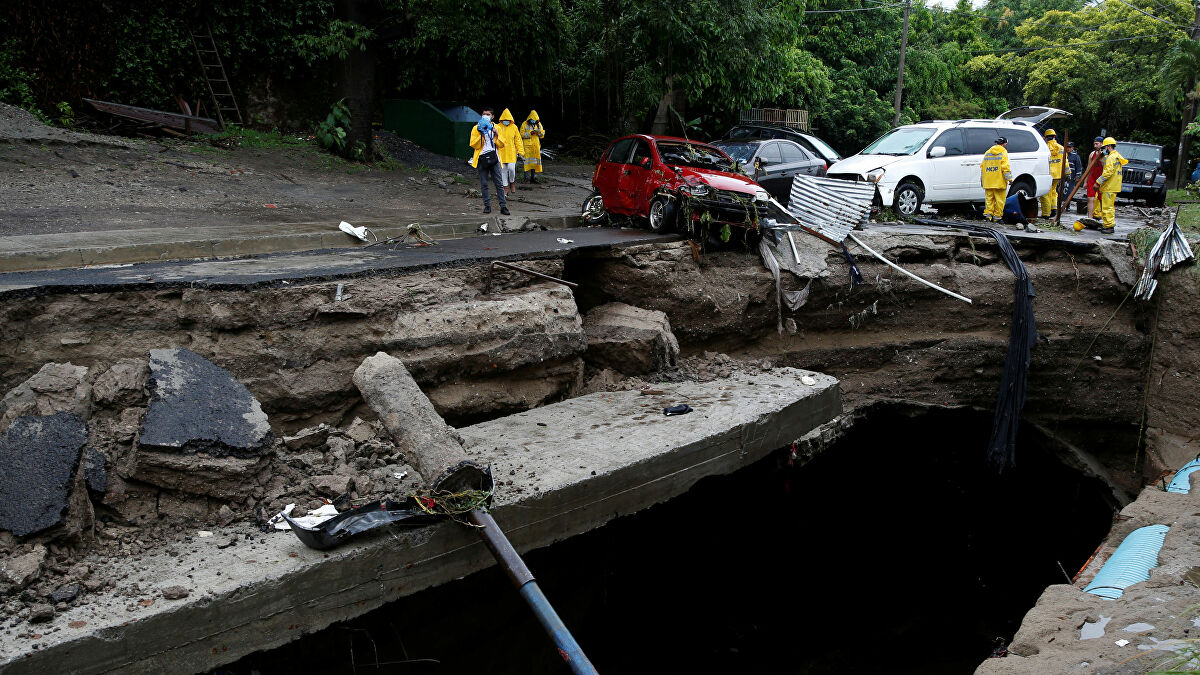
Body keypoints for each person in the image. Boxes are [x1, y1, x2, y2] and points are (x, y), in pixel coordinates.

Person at [469, 108, 510, 215]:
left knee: (499, 184)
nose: (485, 116)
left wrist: (496, 134)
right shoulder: (476, 128)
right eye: (483, 114)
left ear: (492, 117)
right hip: (481, 159)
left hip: (494, 158)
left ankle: (503, 206)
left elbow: (502, 144)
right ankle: (487, 206)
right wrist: (481, 134)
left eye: (488, 114)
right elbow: (473, 144)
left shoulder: (497, 128)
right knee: (484, 184)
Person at [1093, 137, 1128, 235]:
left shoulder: (1111, 157)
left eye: (1105, 148)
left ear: (1108, 147)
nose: (1104, 150)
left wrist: (1097, 182)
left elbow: (1107, 172)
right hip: (1114, 186)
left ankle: (1108, 226)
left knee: (1107, 207)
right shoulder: (1116, 156)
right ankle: (1108, 225)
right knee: (1109, 207)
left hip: (1109, 186)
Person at [980, 136, 1012, 224]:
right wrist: (1010, 180)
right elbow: (1005, 167)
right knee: (1000, 201)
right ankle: (997, 217)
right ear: (1004, 144)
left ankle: (988, 216)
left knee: (989, 200)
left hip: (988, 181)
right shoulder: (1003, 152)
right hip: (999, 182)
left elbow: (982, 167)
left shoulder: (988, 152)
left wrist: (983, 181)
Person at [495, 108, 525, 198]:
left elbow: (518, 140)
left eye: (508, 120)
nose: (506, 121)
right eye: (504, 120)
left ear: (510, 120)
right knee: (503, 171)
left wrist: (520, 151)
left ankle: (512, 182)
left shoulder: (514, 127)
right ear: (501, 119)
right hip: (501, 152)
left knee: (512, 169)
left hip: (511, 152)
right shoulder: (497, 126)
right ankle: (505, 188)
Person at [1040, 129, 1065, 217]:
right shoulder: (1061, 148)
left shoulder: (1044, 147)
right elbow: (1065, 161)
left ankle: (1046, 214)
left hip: (1048, 174)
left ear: (1046, 138)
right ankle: (1054, 208)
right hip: (1058, 174)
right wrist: (1067, 173)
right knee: (1053, 191)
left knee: (1045, 193)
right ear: (1055, 136)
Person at [520, 110, 546, 183]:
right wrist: (530, 133)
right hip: (527, 146)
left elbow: (542, 135)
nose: (533, 121)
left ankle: (533, 178)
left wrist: (539, 132)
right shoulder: (524, 124)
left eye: (535, 120)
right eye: (532, 120)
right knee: (527, 162)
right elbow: (521, 134)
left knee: (534, 162)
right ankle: (526, 178)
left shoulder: (539, 124)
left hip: (535, 146)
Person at [1086, 137, 1104, 219]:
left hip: (1102, 179)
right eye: (1094, 144)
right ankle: (1090, 217)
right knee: (1090, 198)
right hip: (1092, 178)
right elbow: (1088, 168)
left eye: (1097, 144)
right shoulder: (1092, 154)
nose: (1095, 145)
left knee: (1102, 200)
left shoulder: (1105, 155)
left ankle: (1104, 218)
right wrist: (1086, 181)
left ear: (1102, 144)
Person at [1063, 141, 1082, 205]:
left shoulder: (1076, 156)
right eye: (1067, 147)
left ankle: (1067, 205)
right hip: (1063, 176)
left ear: (1072, 148)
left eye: (1069, 147)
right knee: (1061, 190)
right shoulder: (1063, 154)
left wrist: (1078, 176)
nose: (1068, 149)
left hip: (1072, 176)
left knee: (1069, 191)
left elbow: (1079, 167)